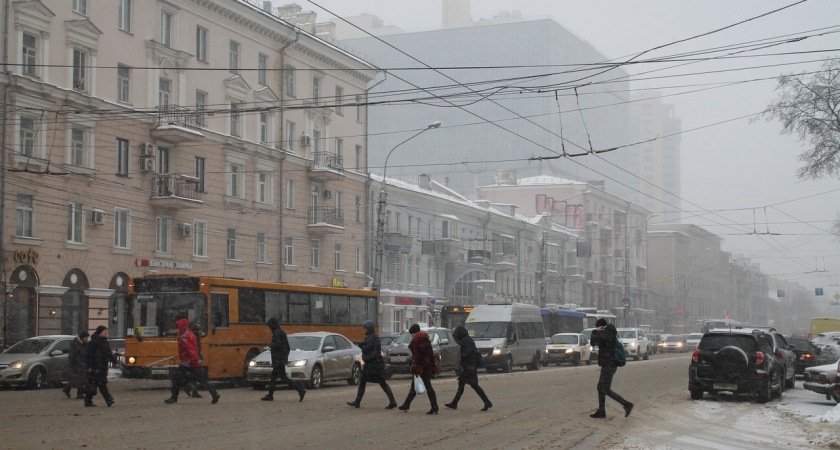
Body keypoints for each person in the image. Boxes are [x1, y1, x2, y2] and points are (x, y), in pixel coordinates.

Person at [164, 318, 220, 405]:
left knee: (176, 380)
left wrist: (196, 359)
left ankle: (174, 398)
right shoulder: (190, 334)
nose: (178, 328)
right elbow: (194, 348)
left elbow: (190, 349)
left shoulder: (184, 337)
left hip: (188, 363)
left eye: (179, 326)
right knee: (202, 380)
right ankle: (214, 393)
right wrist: (197, 358)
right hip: (192, 362)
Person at [347, 320, 397, 409]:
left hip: (372, 365)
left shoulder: (370, 338)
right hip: (377, 364)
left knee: (364, 381)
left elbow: (367, 349)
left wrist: (361, 346)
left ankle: (357, 402)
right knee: (382, 383)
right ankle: (392, 401)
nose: (363, 330)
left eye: (364, 328)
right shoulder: (375, 337)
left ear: (368, 329)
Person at [589, 318, 633, 418]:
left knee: (605, 388)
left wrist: (595, 332)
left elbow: (594, 342)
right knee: (601, 387)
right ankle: (601, 411)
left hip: (609, 364)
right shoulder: (608, 332)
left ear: (601, 327)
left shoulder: (607, 334)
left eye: (598, 327)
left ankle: (627, 404)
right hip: (607, 364)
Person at [445, 326, 492, 411]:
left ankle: (487, 402)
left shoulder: (465, 342)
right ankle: (455, 403)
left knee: (473, 385)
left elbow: (467, 354)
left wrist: (462, 359)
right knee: (466, 385)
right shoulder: (468, 340)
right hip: (471, 367)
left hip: (469, 367)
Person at [261, 317, 306, 402]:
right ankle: (271, 395)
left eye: (269, 325)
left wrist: (271, 346)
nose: (269, 327)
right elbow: (286, 347)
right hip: (280, 359)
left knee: (281, 378)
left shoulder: (277, 333)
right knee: (278, 377)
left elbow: (278, 345)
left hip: (278, 360)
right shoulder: (280, 332)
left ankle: (300, 389)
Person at [398, 324, 439, 415]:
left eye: (411, 334)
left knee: (423, 386)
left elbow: (418, 355)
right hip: (427, 366)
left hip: (420, 367)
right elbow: (430, 354)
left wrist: (416, 367)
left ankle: (434, 407)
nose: (411, 336)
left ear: (414, 333)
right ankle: (406, 405)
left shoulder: (417, 340)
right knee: (419, 386)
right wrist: (432, 365)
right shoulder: (426, 339)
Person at [84, 326, 118, 407]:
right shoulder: (93, 342)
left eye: (107, 331)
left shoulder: (105, 342)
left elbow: (109, 353)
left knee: (98, 383)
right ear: (100, 332)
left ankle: (89, 400)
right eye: (104, 331)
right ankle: (108, 399)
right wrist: (88, 366)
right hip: (94, 367)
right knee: (98, 384)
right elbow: (88, 355)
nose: (106, 333)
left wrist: (115, 361)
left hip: (102, 366)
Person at [63, 330, 89, 399]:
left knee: (78, 379)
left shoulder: (84, 344)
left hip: (82, 364)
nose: (87, 339)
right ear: (82, 338)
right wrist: (71, 365)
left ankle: (68, 389)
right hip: (77, 364)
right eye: (86, 337)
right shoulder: (77, 345)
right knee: (79, 379)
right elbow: (71, 355)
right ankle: (79, 393)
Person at [182, 323, 204, 399]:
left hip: (193, 359)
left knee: (194, 376)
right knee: (197, 375)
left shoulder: (191, 336)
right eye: (200, 329)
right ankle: (190, 389)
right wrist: (198, 358)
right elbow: (196, 349)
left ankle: (192, 390)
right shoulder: (196, 337)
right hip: (195, 360)